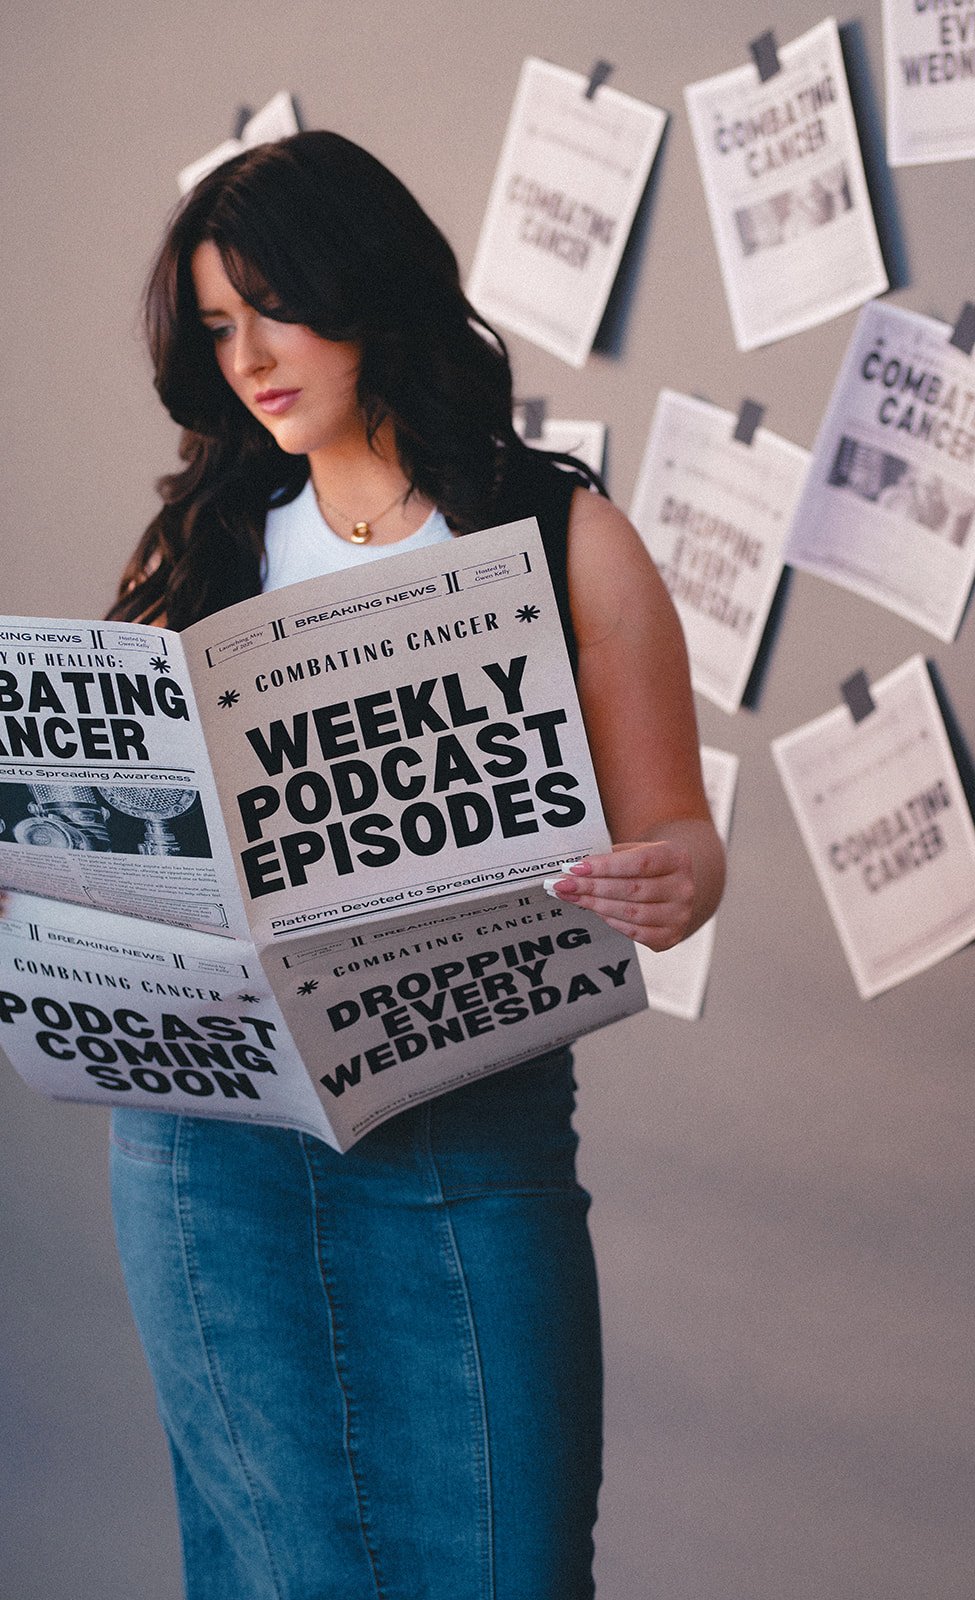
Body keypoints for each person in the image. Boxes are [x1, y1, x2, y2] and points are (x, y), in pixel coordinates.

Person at [104, 130, 725, 1600]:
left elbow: (682, 839)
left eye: (271, 305)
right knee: (271, 1570)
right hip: (216, 1152)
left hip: (466, 1138)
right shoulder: (195, 548)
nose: (248, 355)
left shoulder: (568, 536)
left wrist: (672, 881)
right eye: (214, 327)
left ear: (368, 289)